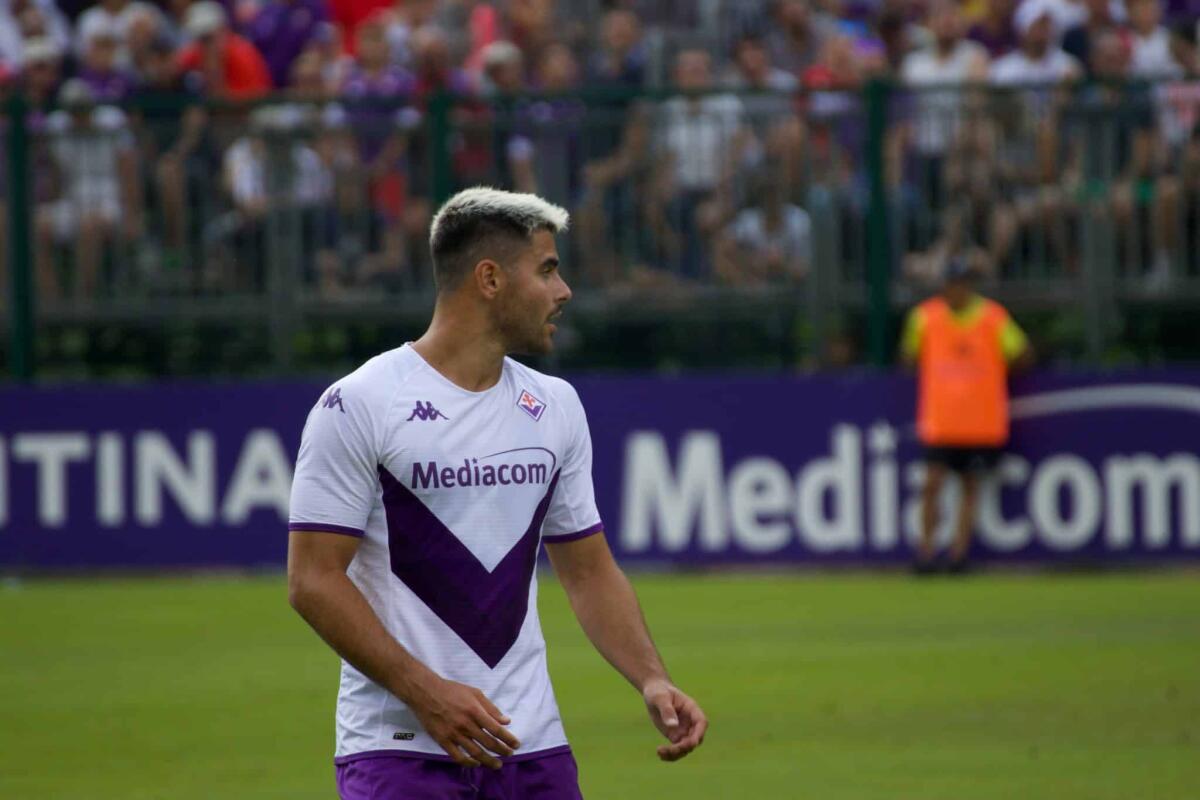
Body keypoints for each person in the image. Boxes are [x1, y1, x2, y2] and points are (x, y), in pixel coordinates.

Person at [287, 187, 708, 798]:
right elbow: (313, 580)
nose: (563, 292)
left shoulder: (555, 406)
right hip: (399, 753)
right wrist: (426, 694)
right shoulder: (359, 403)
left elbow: (588, 572)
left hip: (532, 750)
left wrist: (651, 678)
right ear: (489, 278)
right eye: (547, 269)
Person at [901, 257, 1032, 573]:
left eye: (961, 284)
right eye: (951, 283)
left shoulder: (992, 317)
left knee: (969, 487)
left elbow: (1022, 353)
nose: (955, 290)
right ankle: (927, 553)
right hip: (941, 420)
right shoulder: (925, 317)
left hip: (979, 422)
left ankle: (958, 556)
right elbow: (907, 357)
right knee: (932, 484)